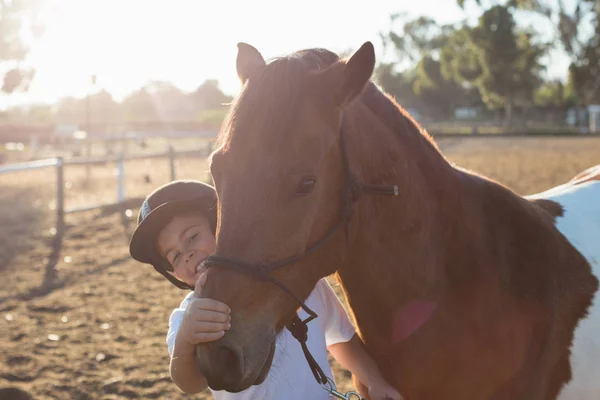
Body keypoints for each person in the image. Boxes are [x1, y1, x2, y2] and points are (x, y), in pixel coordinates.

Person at [129, 179, 402, 400]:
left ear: (220, 227)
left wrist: (373, 379)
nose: (187, 254)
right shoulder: (191, 317)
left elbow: (340, 337)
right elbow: (189, 382)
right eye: (174, 256)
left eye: (192, 237)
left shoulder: (298, 281)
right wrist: (187, 339)